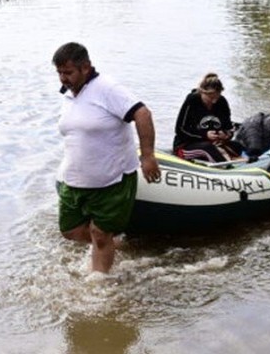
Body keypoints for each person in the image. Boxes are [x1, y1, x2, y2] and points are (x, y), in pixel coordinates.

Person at [53, 42, 160, 273]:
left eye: (68, 73)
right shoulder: (70, 94)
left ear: (86, 68)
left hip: (112, 180)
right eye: (59, 73)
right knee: (69, 230)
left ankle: (99, 286)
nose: (63, 78)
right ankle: (117, 246)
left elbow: (142, 113)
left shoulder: (107, 89)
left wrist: (148, 156)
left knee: (100, 234)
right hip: (75, 180)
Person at [173, 73, 242, 163]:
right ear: (202, 92)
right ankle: (226, 166)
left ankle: (222, 159)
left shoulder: (222, 102)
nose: (214, 101)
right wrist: (204, 135)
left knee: (238, 146)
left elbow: (228, 127)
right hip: (187, 144)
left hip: (214, 143)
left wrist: (225, 135)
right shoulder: (192, 100)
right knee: (207, 147)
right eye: (210, 97)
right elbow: (180, 129)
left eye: (217, 97)